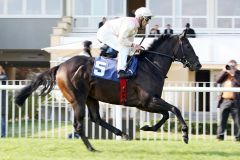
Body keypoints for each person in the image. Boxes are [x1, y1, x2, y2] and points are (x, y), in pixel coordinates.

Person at [97, 7, 153, 79]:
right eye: (147, 19)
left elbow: (129, 44)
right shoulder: (130, 24)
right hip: (105, 33)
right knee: (123, 47)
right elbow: (121, 40)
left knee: (127, 48)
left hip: (110, 33)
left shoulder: (135, 28)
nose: (148, 22)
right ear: (141, 18)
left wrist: (134, 49)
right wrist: (134, 45)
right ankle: (120, 71)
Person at [216, 59, 240, 141]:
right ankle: (220, 136)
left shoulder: (238, 74)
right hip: (225, 101)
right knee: (222, 120)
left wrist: (234, 74)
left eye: (233, 66)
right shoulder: (225, 75)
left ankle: (238, 137)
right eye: (230, 65)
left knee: (237, 121)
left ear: (236, 66)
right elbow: (218, 81)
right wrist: (224, 71)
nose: (231, 67)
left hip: (236, 101)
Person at [0, 65, 8, 138]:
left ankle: (3, 134)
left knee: (3, 118)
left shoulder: (4, 77)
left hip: (2, 102)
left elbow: (3, 78)